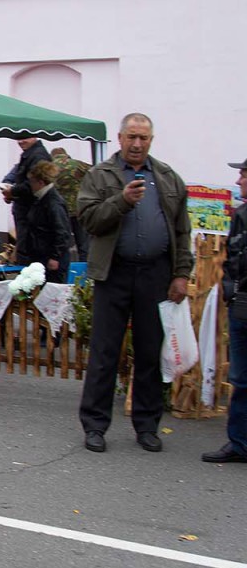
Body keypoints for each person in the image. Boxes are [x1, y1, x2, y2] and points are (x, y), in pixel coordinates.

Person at [76, 113, 192, 453]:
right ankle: (95, 426)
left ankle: (147, 426)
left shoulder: (168, 178)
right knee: (104, 353)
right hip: (114, 273)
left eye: (143, 138)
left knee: (149, 353)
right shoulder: (100, 175)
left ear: (151, 140)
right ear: (120, 138)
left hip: (156, 274)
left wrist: (181, 273)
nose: (137, 144)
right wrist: (122, 201)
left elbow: (182, 231)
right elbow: (89, 221)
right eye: (131, 137)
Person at [201, 157, 247, 463]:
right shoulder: (241, 213)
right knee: (241, 379)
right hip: (242, 305)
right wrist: (230, 289)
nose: (239, 180)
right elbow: (232, 257)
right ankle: (239, 443)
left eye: (244, 175)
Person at [18, 160, 72, 283]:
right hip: (43, 257)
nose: (30, 185)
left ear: (40, 182)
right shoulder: (43, 199)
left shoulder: (52, 203)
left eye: (32, 182)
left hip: (51, 259)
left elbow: (62, 232)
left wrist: (55, 257)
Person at [1, 137, 51, 257]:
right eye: (19, 138)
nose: (20, 141)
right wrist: (13, 193)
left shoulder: (37, 156)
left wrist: (12, 191)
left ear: (34, 136)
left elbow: (33, 184)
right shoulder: (31, 155)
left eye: (25, 138)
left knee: (29, 253)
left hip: (31, 216)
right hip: (27, 213)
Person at [51, 146, 92, 261]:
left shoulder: (49, 167)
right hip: (79, 210)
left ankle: (65, 271)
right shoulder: (77, 164)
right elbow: (96, 172)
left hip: (60, 211)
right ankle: (84, 272)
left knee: (63, 244)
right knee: (83, 244)